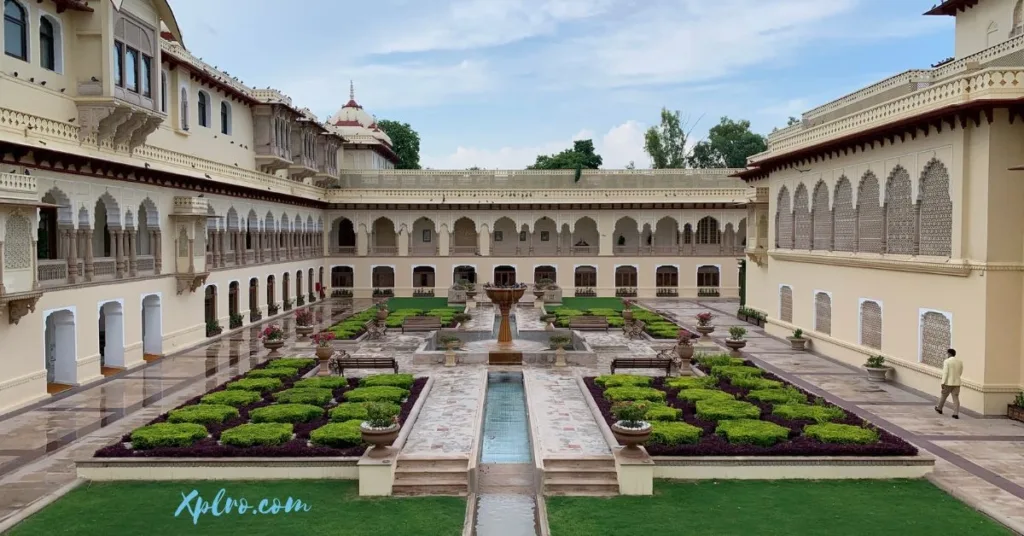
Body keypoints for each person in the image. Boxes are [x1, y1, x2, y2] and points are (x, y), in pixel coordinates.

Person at [935, 348, 963, 419]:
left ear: (949, 354)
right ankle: (956, 413)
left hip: (948, 382)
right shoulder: (960, 361)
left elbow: (945, 373)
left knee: (944, 395)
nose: (947, 355)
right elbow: (960, 372)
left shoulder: (947, 361)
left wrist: (943, 382)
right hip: (957, 383)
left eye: (947, 353)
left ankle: (939, 408)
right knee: (956, 398)